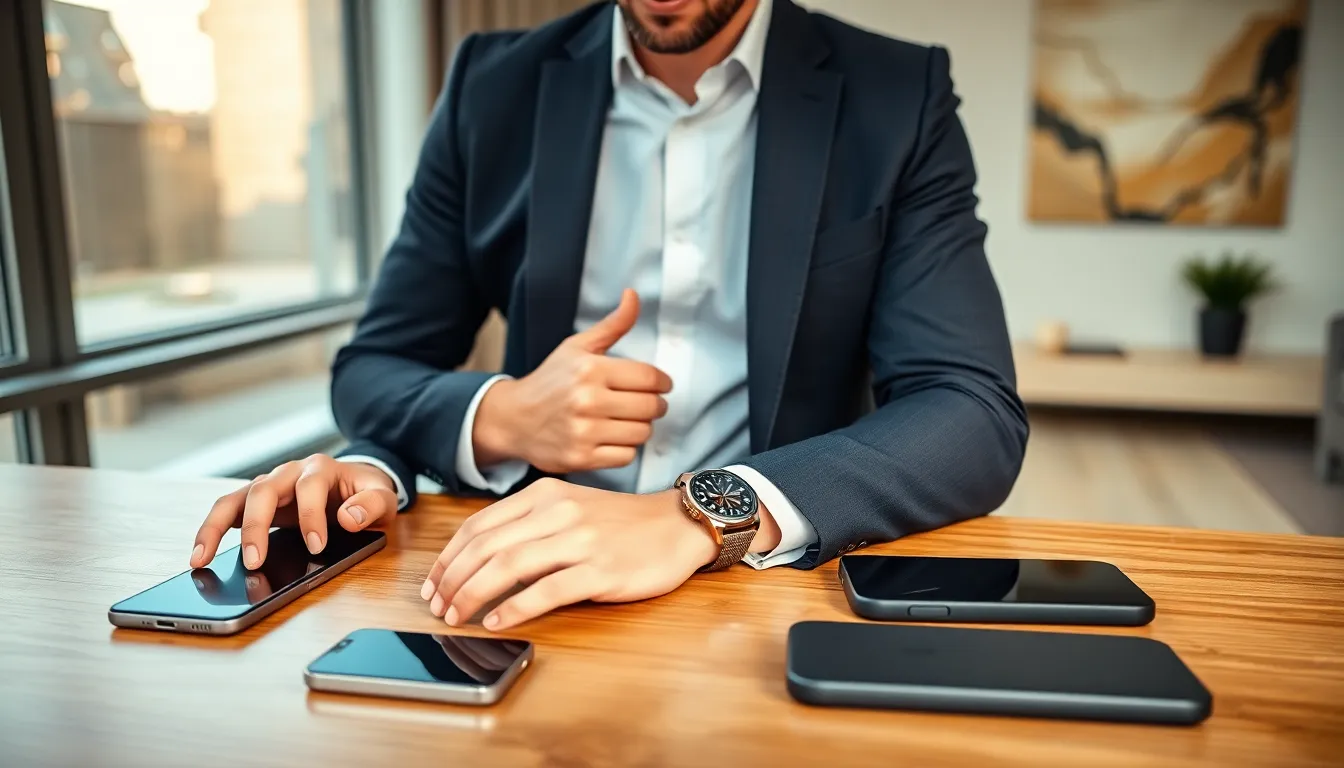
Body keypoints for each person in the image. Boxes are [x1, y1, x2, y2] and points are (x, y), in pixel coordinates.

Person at [189, 0, 1027, 631]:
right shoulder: (493, 84)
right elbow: (374, 369)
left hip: (768, 598)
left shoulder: (896, 95)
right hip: (516, 592)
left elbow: (972, 410)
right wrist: (501, 417)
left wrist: (698, 514)